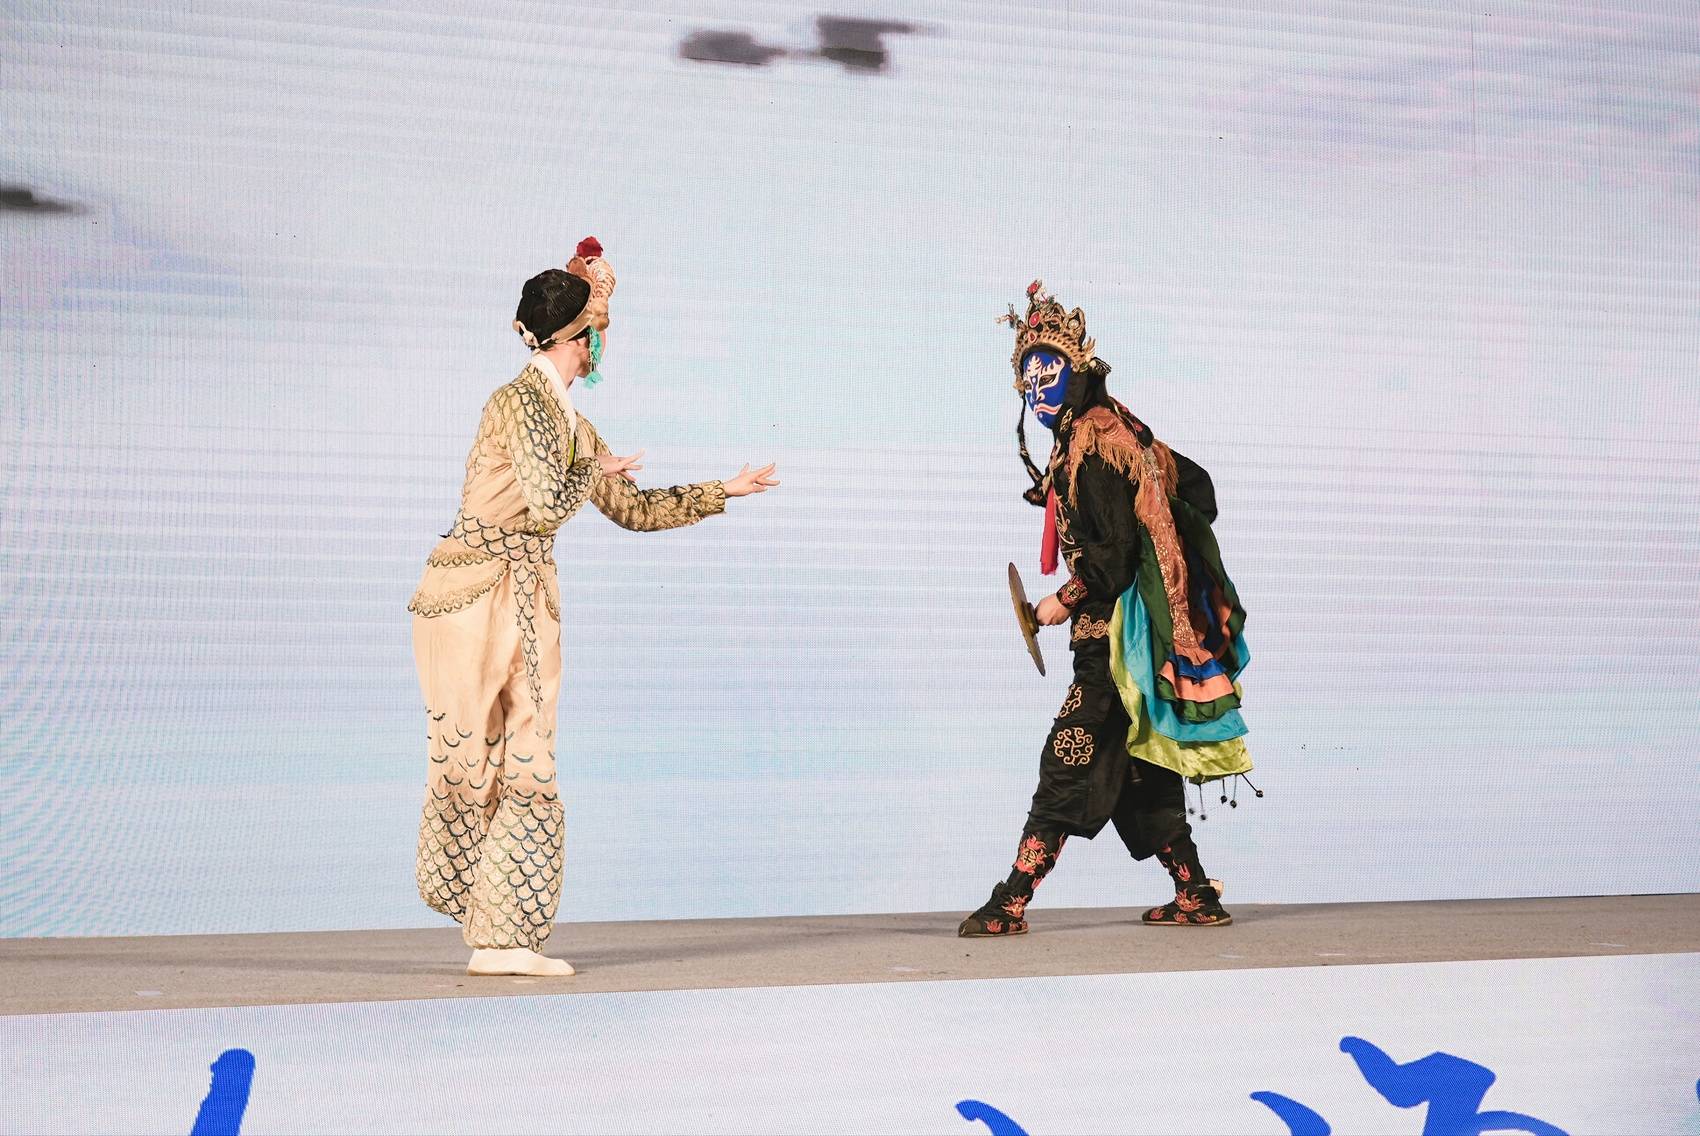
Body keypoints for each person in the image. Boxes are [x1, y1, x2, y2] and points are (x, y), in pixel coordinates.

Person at [409, 237, 780, 976]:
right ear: (578, 338)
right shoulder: (515, 403)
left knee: (529, 759)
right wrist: (590, 466)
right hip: (471, 594)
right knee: (469, 761)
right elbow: (551, 499)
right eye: (593, 335)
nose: (596, 349)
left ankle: (505, 938)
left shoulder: (574, 425)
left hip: (525, 598)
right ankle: (483, 918)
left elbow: (631, 508)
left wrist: (722, 491)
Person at [959, 280, 1252, 937]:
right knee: (1140, 774)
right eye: (1028, 380)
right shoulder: (1109, 433)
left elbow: (1113, 561)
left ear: (1076, 370)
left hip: (1114, 643)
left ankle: (1011, 901)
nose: (1038, 391)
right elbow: (1189, 490)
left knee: (1067, 761)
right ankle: (1195, 894)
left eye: (1048, 374)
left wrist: (1064, 597)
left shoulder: (1094, 445)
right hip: (1120, 642)